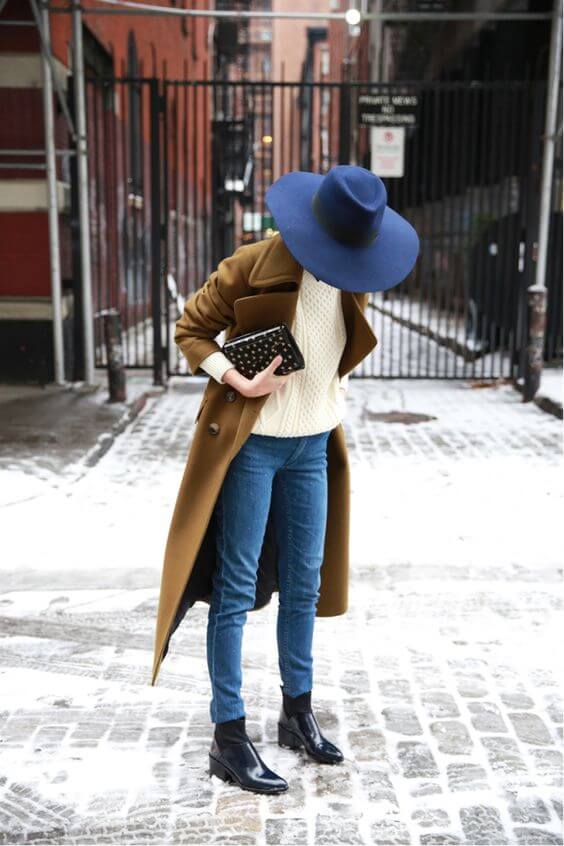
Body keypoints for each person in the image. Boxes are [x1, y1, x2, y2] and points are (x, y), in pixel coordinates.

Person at [152, 164, 419, 795]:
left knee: (305, 581)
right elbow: (190, 329)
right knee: (236, 587)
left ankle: (297, 716)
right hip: (254, 446)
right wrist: (238, 379)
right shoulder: (250, 265)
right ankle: (228, 735)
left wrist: (331, 396)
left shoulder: (353, 272)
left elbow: (337, 345)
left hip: (314, 445)